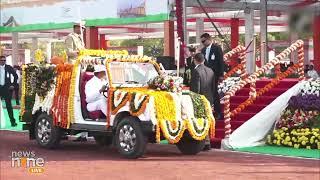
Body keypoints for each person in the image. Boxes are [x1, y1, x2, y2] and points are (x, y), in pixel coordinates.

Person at [190, 53, 216, 151]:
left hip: (199, 99)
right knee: (207, 119)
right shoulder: (211, 71)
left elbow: (195, 89)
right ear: (204, 60)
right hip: (209, 98)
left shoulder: (196, 71)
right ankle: (207, 142)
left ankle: (203, 141)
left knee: (200, 120)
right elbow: (213, 87)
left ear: (195, 60)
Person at [200, 33, 224, 120]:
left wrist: (221, 74)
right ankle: (208, 111)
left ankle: (218, 112)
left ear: (209, 39)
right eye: (202, 41)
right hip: (205, 75)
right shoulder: (203, 50)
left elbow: (221, 62)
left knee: (214, 93)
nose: (203, 43)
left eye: (204, 41)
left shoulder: (217, 48)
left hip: (215, 74)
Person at [0, 55, 18, 127]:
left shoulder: (9, 67)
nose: (3, 61)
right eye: (2, 60)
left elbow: (15, 76)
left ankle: (12, 122)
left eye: (4, 60)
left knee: (9, 106)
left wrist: (13, 85)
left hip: (6, 89)